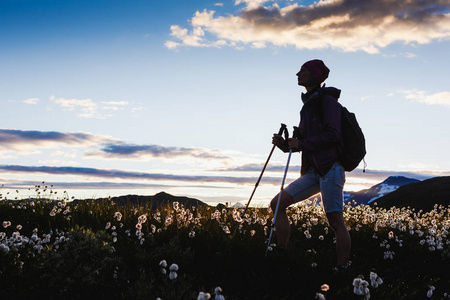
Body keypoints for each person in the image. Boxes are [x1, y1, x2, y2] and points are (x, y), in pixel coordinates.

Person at [271, 59, 351, 268]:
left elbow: (333, 135)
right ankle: (283, 254)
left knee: (335, 220)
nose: (297, 74)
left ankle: (343, 269)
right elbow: (305, 144)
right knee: (277, 204)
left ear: (314, 75)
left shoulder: (328, 102)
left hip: (331, 169)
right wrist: (285, 146)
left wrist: (303, 143)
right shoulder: (308, 104)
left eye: (303, 71)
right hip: (314, 171)